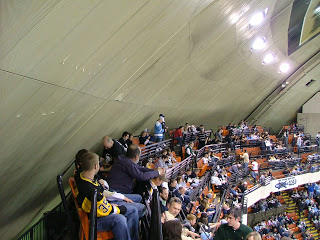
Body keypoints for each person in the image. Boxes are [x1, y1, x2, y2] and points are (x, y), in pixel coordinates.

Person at [75, 152, 138, 240]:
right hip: (93, 220)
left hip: (94, 211)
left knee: (130, 210)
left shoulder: (82, 177)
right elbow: (104, 210)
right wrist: (118, 208)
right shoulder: (91, 190)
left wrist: (111, 206)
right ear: (96, 166)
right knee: (122, 218)